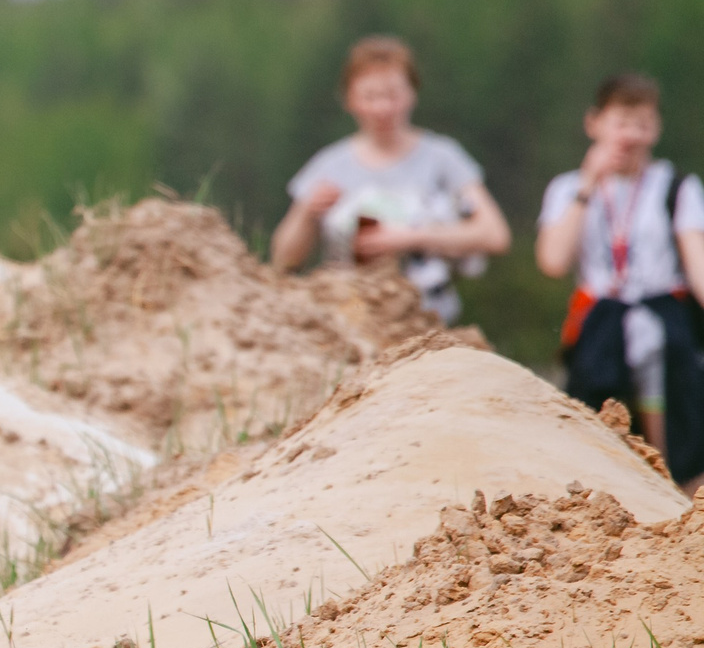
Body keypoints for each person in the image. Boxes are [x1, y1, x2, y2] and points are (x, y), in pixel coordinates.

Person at [537, 72, 704, 487]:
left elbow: (696, 261)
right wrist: (588, 184)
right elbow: (553, 260)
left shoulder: (676, 187)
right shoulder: (569, 188)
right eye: (622, 122)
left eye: (642, 123)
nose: (631, 135)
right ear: (595, 123)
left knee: (683, 425)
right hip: (601, 324)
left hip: (664, 320)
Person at [271, 35, 511, 324]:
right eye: (370, 96)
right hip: (348, 320)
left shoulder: (443, 158)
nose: (383, 108)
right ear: (350, 99)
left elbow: (494, 235)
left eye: (392, 95)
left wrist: (411, 237)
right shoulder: (329, 165)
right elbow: (282, 260)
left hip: (429, 319)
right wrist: (307, 212)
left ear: (412, 93)